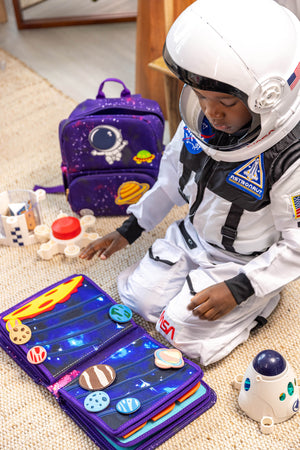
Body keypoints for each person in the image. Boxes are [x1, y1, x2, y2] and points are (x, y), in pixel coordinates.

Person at [80, 0, 300, 366]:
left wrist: (240, 288)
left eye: (226, 102)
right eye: (201, 96)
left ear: (270, 99)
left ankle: (261, 301)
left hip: (240, 261)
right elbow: (168, 183)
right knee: (137, 301)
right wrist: (130, 229)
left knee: (178, 334)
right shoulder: (202, 124)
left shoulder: (289, 159)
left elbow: (297, 243)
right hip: (192, 237)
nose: (211, 113)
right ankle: (192, 279)